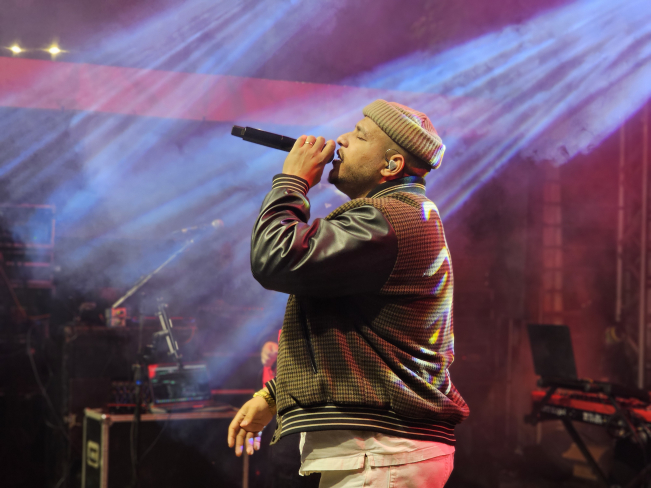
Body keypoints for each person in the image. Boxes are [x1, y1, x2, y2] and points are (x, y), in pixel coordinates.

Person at [228, 99, 469, 488]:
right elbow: (353, 335)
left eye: (359, 136)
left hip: (383, 453)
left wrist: (292, 181)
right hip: (380, 452)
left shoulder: (390, 218)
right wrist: (274, 395)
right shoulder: (395, 215)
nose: (340, 139)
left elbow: (275, 258)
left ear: (391, 165)